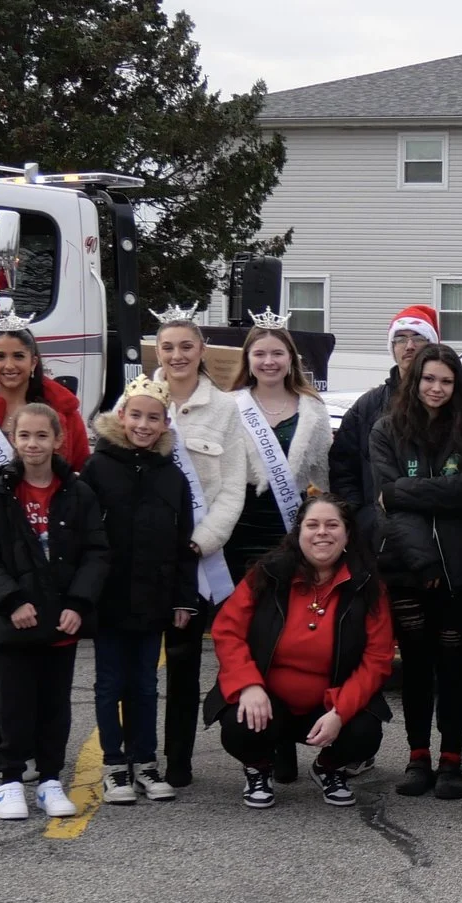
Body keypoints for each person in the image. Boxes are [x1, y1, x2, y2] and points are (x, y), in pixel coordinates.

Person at [0, 320, 92, 777]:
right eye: (0, 357)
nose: (10, 365)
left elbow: (79, 472)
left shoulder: (61, 413)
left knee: (36, 661)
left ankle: (33, 747)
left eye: (18, 356)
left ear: (34, 361)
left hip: (42, 557)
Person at [0, 401, 109, 821]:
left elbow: (96, 553)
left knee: (55, 706)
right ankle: (10, 779)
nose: (33, 444)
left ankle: (49, 780)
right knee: (15, 705)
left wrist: (78, 604)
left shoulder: (79, 493)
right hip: (16, 621)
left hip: (61, 620)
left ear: (58, 440)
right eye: (24, 435)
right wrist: (10, 601)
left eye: (42, 435)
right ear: (13, 439)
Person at [209, 493, 394, 811]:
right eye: (312, 525)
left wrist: (341, 712)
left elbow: (377, 659)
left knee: (365, 732)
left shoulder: (368, 587)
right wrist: (248, 685)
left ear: (347, 534)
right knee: (239, 725)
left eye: (332, 525)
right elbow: (227, 631)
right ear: (299, 533)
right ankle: (258, 767)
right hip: (268, 700)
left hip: (327, 704)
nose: (322, 532)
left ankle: (328, 768)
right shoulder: (266, 574)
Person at [368, 342, 462, 799]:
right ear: (414, 380)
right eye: (428, 379)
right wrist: (424, 561)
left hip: (461, 566)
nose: (436, 388)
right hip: (405, 564)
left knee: (454, 663)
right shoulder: (386, 429)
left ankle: (453, 759)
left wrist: (409, 489)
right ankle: (417, 756)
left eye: (446, 380)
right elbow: (388, 500)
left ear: (456, 384)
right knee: (417, 664)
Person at [82, 372, 199, 804]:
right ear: (122, 416)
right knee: (110, 684)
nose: (144, 425)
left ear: (166, 423)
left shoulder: (173, 477)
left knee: (146, 685)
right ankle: (114, 766)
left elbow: (183, 543)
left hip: (154, 598)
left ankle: (146, 761)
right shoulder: (97, 468)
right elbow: (84, 536)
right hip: (109, 597)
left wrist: (183, 598)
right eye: (136, 416)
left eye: (154, 418)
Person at [153, 311, 246, 788]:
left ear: (201, 350)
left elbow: (232, 487)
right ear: (157, 352)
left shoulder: (224, 409)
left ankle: (178, 760)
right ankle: (134, 757)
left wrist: (202, 540)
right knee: (136, 665)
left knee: (185, 663)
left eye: (186, 346)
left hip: (196, 557)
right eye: (168, 347)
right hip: (147, 557)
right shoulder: (138, 399)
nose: (177, 356)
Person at [225, 322, 333, 580]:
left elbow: (326, 475)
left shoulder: (313, 409)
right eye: (259, 354)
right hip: (237, 528)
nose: (269, 361)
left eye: (277, 353)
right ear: (247, 359)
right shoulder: (228, 406)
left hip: (292, 529)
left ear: (291, 358)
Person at [333, 305, 439, 522]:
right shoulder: (368, 406)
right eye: (400, 339)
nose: (409, 346)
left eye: (418, 338)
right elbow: (342, 468)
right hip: (380, 527)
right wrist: (362, 516)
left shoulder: (452, 404)